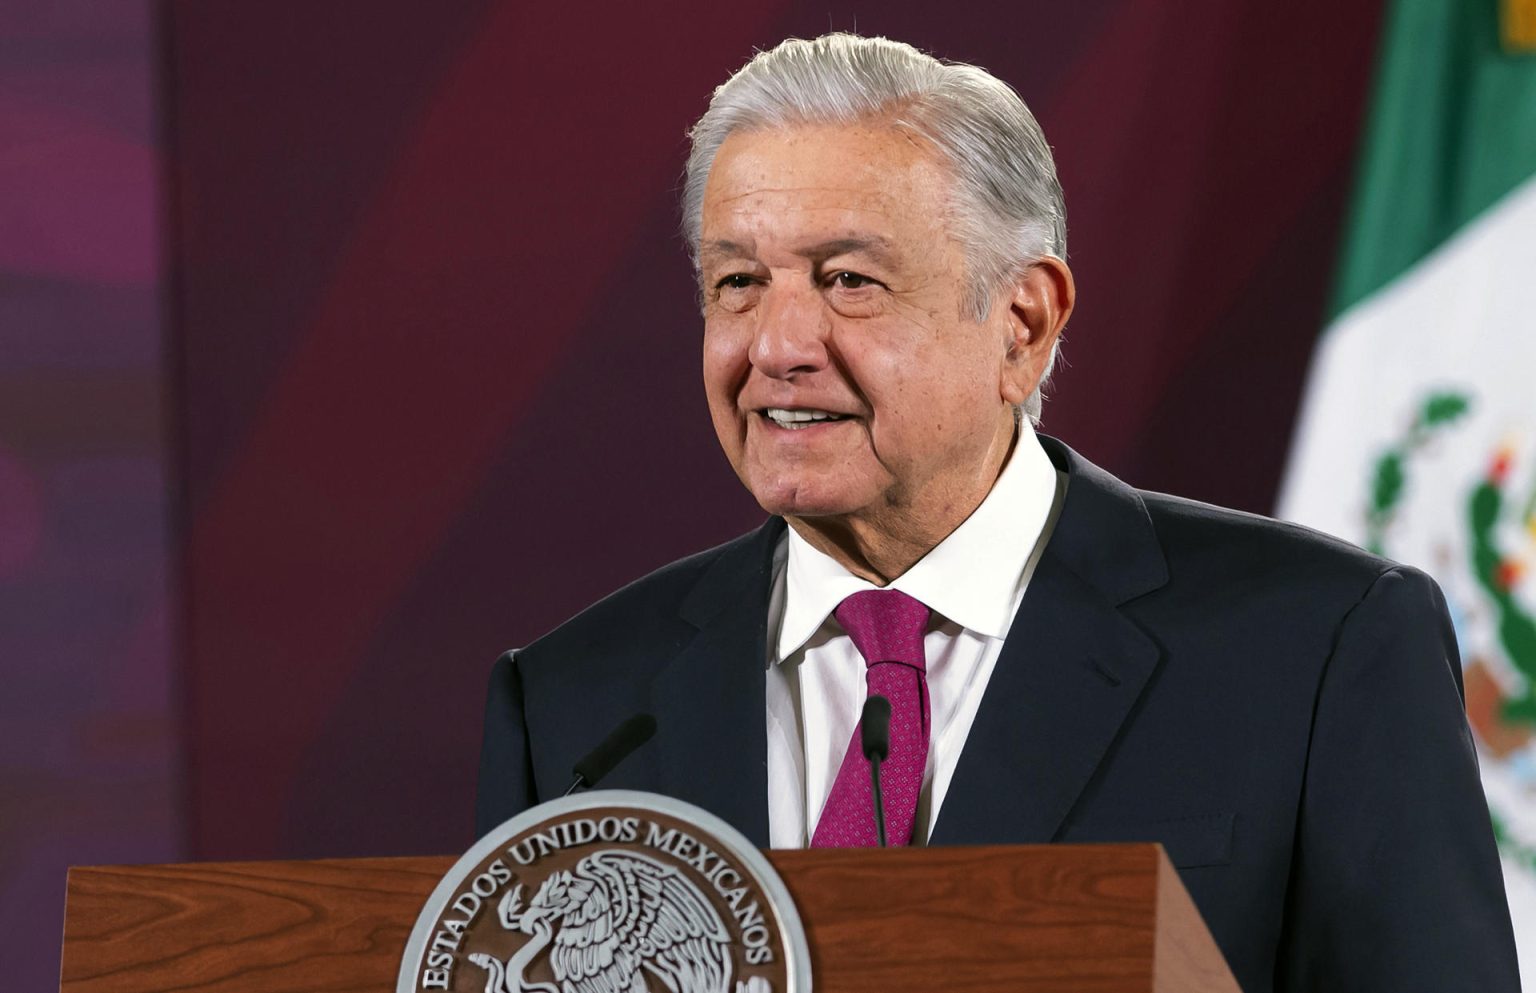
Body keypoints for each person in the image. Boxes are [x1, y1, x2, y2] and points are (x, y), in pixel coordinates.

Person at [476, 33, 1520, 992]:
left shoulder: (1318, 647)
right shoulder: (576, 707)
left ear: (1022, 322)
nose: (775, 345)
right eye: (738, 282)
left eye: (847, 280)